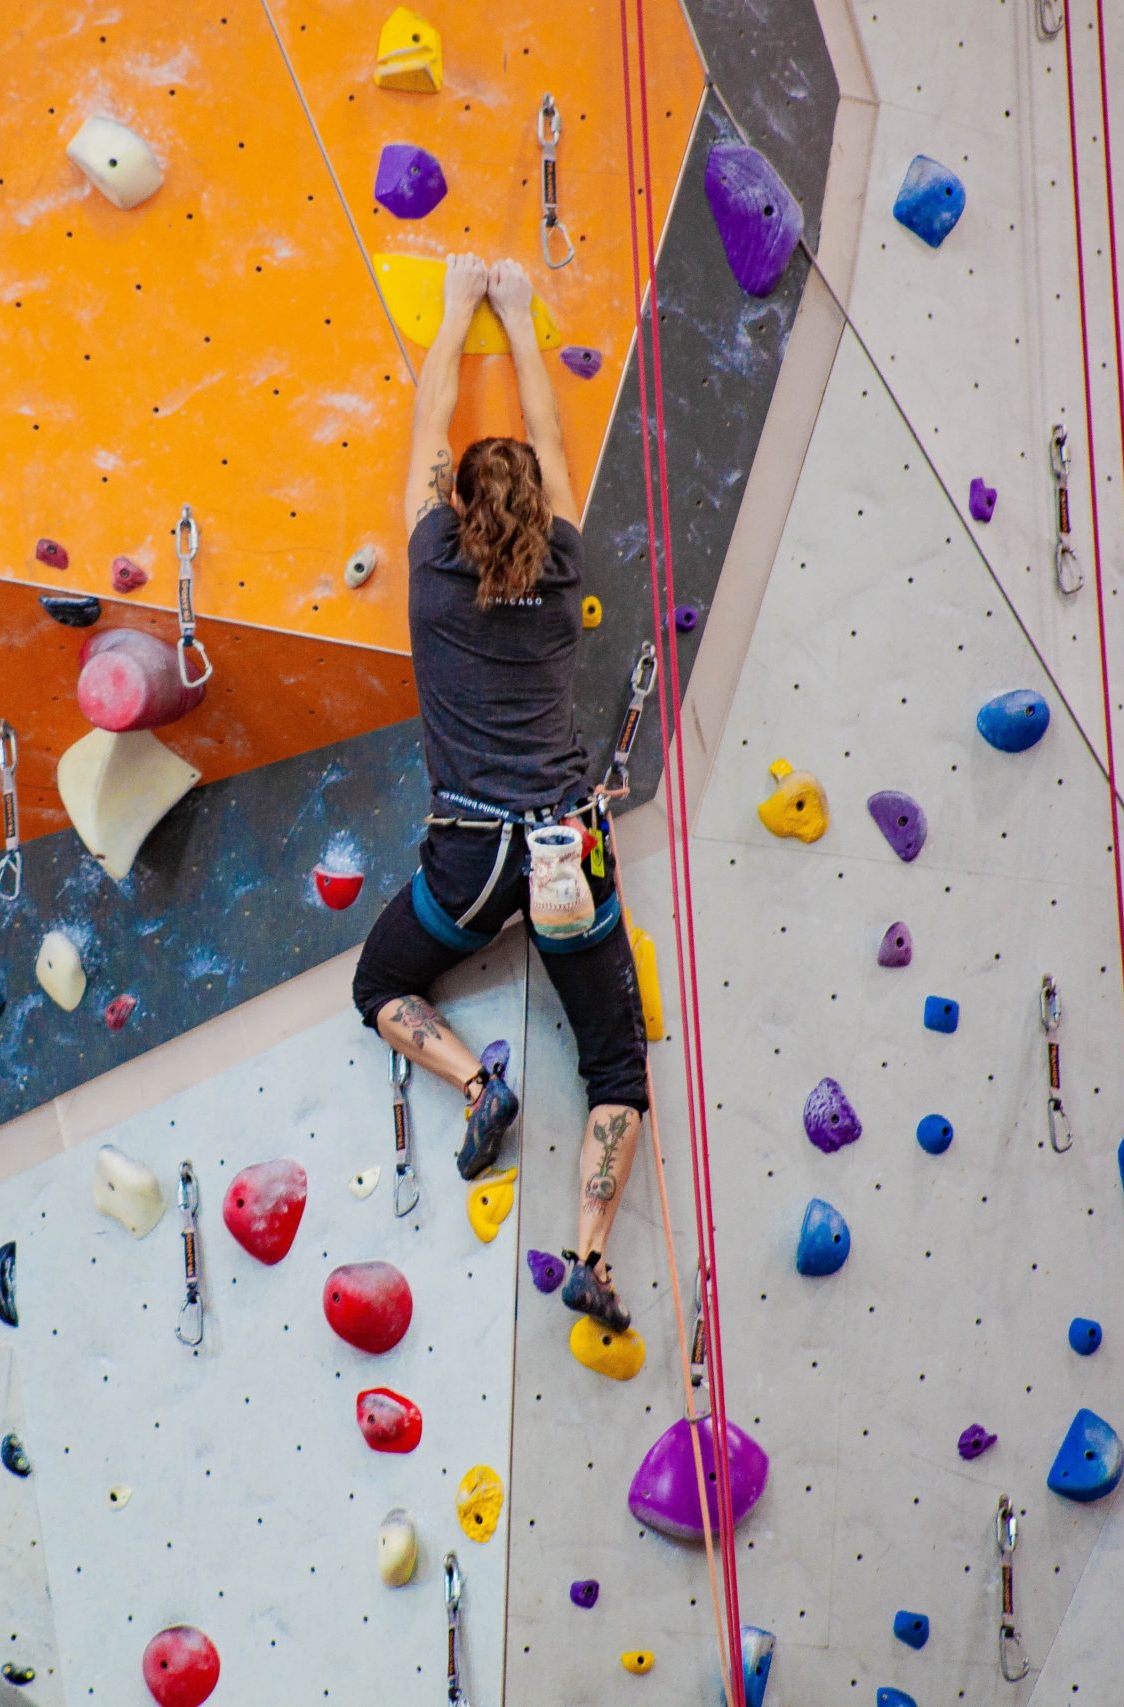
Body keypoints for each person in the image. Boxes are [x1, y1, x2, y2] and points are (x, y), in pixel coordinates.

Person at [349, 254, 651, 1333]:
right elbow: (555, 444)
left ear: (457, 508)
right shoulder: (562, 570)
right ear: (535, 514)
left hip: (472, 859)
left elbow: (430, 421)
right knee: (614, 1067)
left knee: (380, 984)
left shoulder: (433, 566)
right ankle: (590, 1259)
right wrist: (519, 316)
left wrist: (457, 311)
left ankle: (479, 1087)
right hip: (567, 851)